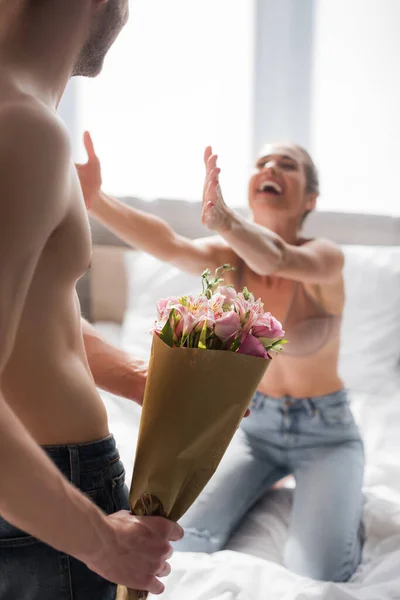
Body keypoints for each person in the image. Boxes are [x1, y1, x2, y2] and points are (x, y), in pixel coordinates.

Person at [78, 132, 365, 582]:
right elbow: (172, 244)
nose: (270, 168)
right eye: (263, 161)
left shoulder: (324, 258)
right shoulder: (228, 260)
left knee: (323, 570)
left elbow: (277, 259)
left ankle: (343, 501)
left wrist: (225, 220)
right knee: (187, 538)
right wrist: (96, 200)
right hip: (254, 428)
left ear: (310, 198)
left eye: (286, 165)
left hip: (326, 433)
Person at [0, 2, 183, 600]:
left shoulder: (24, 117)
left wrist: (130, 375)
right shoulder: (24, 127)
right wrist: (102, 542)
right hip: (45, 503)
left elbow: (32, 307)